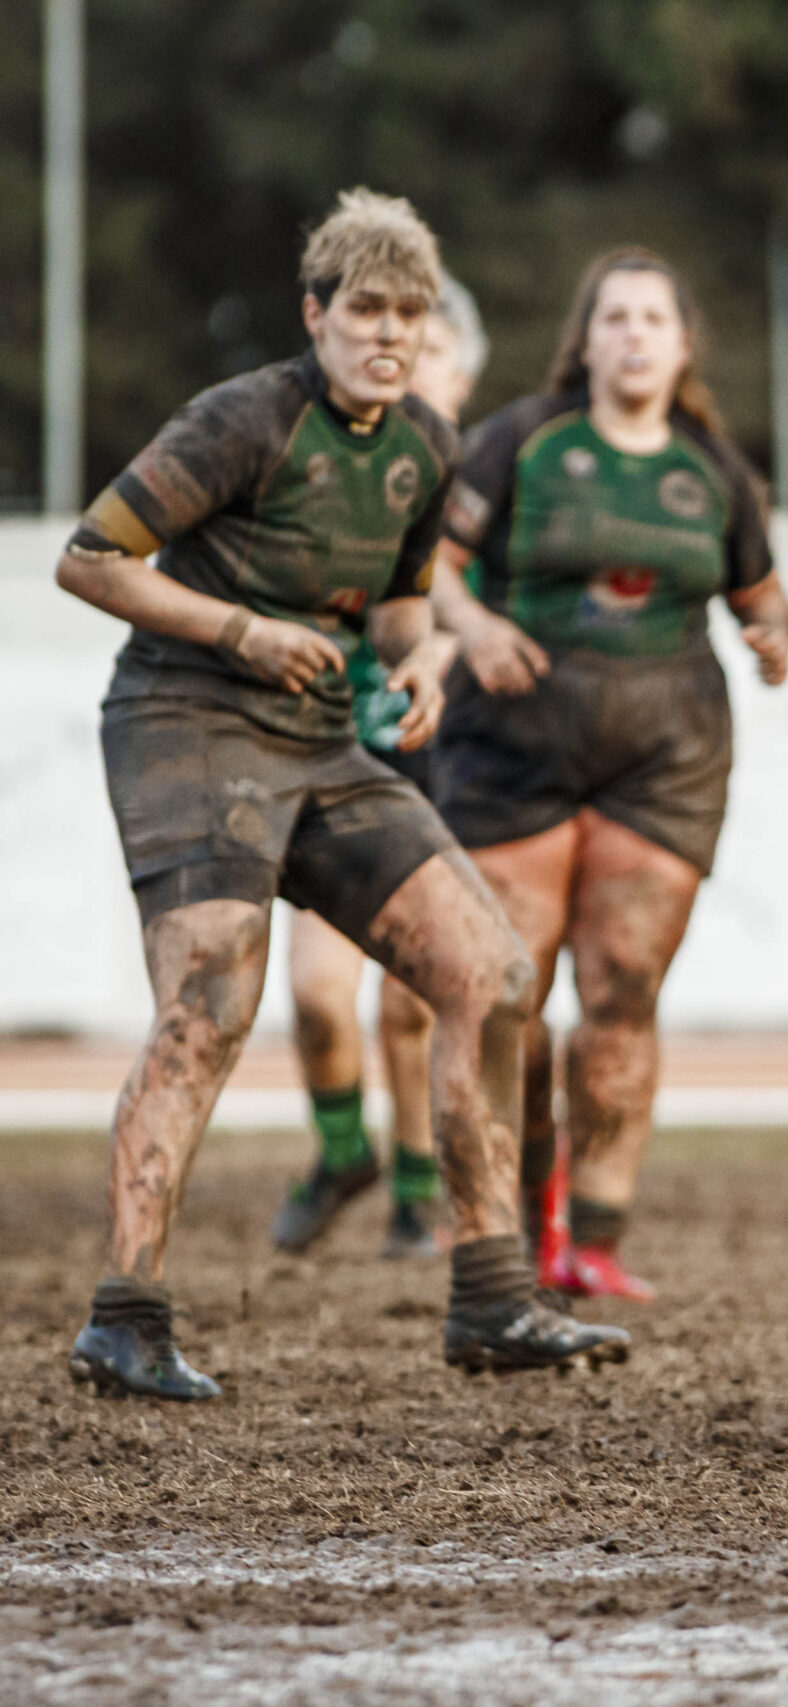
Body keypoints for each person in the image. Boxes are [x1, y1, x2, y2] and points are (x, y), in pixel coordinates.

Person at [54, 188, 626, 1397]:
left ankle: (490, 1297)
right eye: (367, 310)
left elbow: (402, 603)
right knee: (210, 1001)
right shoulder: (243, 417)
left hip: (319, 740)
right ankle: (126, 1315)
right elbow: (90, 558)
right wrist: (242, 632)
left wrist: (420, 661)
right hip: (185, 721)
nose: (389, 334)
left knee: (491, 972)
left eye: (409, 316)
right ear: (315, 314)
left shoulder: (426, 443)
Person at [427, 249, 788, 1301]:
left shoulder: (716, 471)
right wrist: (473, 626)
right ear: (584, 340)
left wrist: (773, 636)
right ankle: (508, 1221)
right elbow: (432, 570)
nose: (634, 335)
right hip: (514, 746)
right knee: (505, 994)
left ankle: (592, 1239)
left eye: (653, 319)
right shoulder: (520, 439)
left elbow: (763, 594)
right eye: (615, 317)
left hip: (665, 758)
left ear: (682, 346)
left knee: (622, 990)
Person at [270, 271, 488, 1261]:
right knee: (320, 995)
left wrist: (439, 654)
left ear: (463, 375)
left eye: (432, 348)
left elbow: (479, 612)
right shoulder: (341, 472)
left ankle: (414, 1193)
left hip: (450, 766)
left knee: (414, 1003)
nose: (408, 361)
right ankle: (342, 1154)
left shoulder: (485, 487)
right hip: (339, 755)